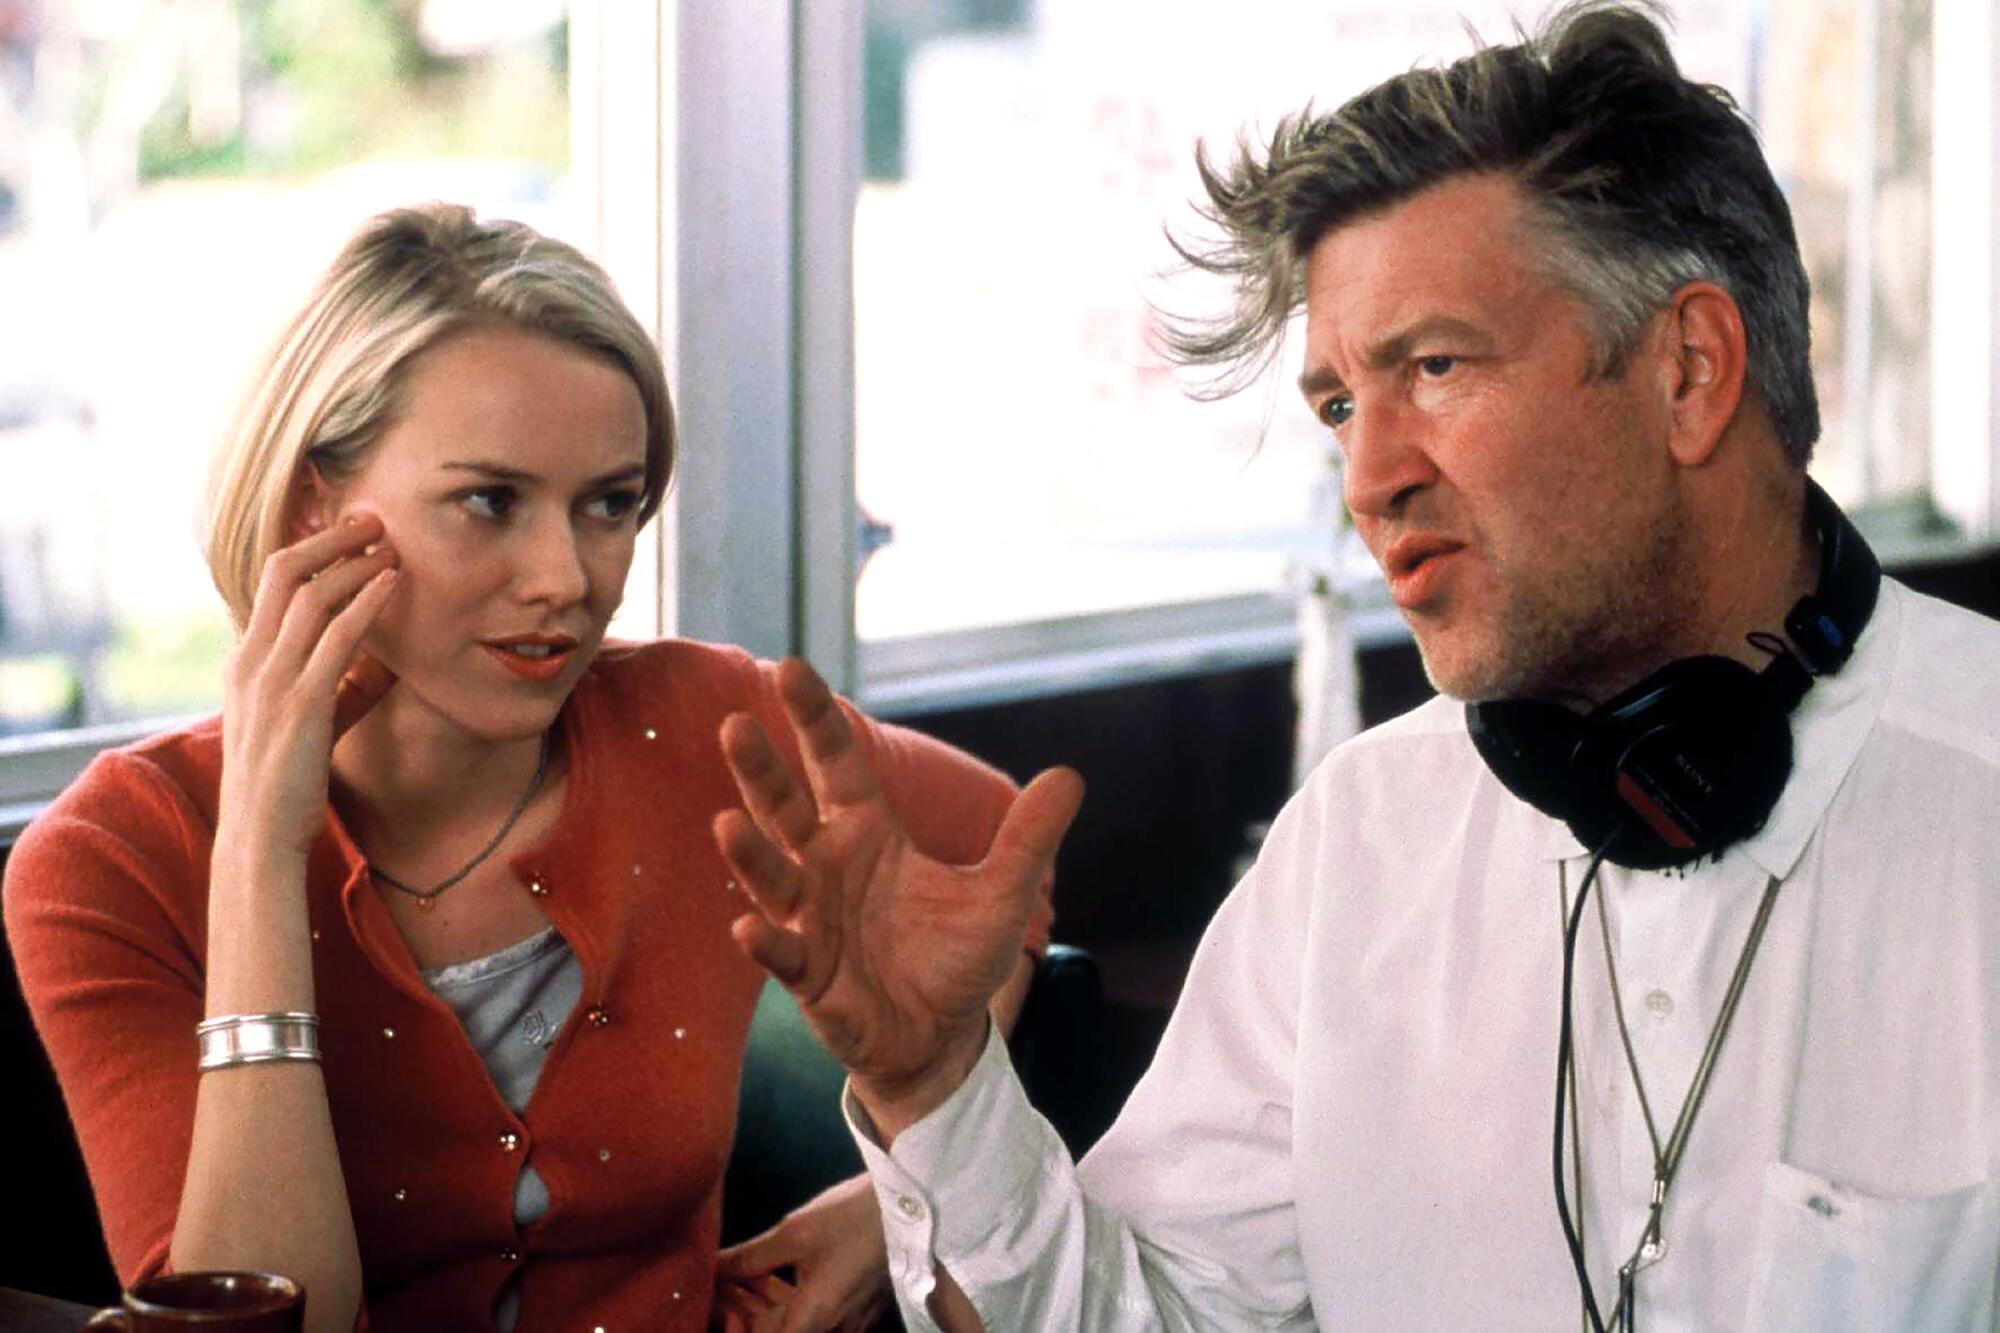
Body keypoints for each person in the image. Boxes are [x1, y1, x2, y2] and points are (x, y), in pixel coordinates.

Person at [712, 4, 2000, 1330]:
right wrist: (935, 1088)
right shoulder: (1362, 835)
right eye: (1339, 407)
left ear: (1687, 372)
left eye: (1435, 367)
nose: (1369, 483)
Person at [1, 201, 1056, 1333]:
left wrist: (903, 1200)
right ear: (316, 501)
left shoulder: (703, 721)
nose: (566, 577)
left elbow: (999, 866)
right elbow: (268, 1324)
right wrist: (261, 845)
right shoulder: (114, 860)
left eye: (609, 504)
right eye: (489, 502)